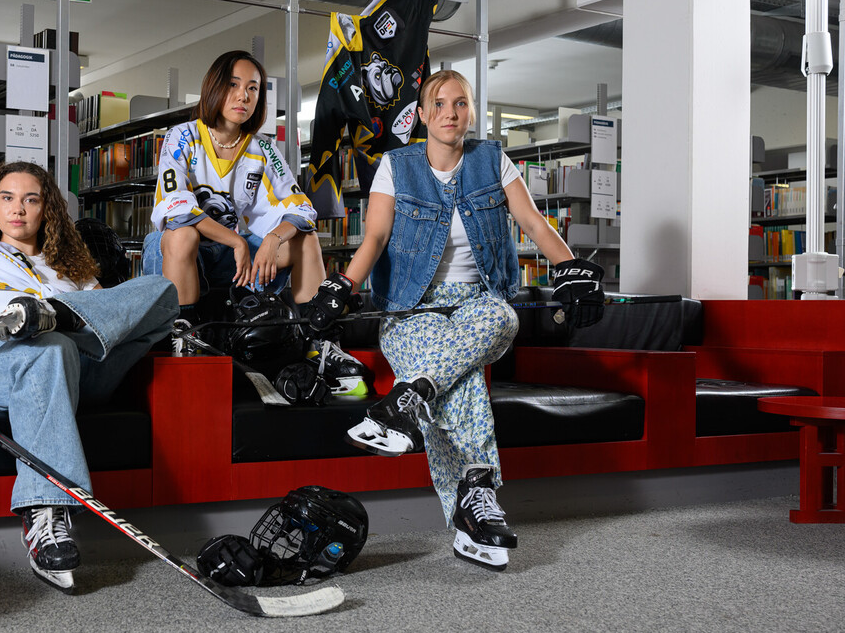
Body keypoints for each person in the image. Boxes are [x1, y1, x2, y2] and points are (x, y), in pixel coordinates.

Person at [304, 70, 606, 571]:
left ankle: (406, 402)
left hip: (478, 303)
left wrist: (569, 268)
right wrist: (344, 285)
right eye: (439, 103)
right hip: (412, 308)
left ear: (471, 112)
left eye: (460, 103)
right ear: (422, 115)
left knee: (502, 318)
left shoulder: (492, 160)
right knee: (461, 382)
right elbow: (375, 238)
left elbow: (532, 221)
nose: (450, 112)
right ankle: (476, 496)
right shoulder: (396, 167)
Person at [0, 161, 177, 591]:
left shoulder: (71, 268)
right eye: (7, 198)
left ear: (48, 209)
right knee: (50, 347)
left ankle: (49, 315)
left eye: (31, 199)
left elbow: (113, 315)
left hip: (80, 365)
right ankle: (44, 512)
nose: (18, 209)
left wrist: (77, 312)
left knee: (161, 289)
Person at [142, 49, 368, 398]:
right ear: (215, 87)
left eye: (253, 88)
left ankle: (318, 341)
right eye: (234, 85)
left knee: (304, 239)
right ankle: (184, 338)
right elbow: (177, 209)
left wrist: (274, 238)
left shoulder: (263, 150)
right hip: (177, 250)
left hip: (234, 256)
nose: (243, 96)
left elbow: (302, 207)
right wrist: (235, 242)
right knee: (184, 233)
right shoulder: (181, 136)